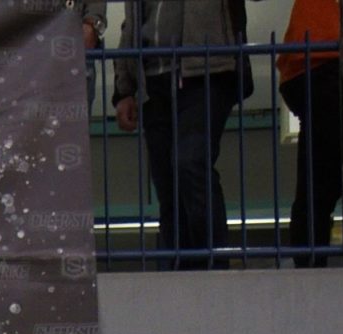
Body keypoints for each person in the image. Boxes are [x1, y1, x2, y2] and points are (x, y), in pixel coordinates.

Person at [111, 0, 265, 268]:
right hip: (154, 79)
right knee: (168, 184)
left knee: (190, 162)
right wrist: (124, 89)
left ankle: (211, 266)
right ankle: (182, 271)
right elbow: (132, 22)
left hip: (207, 69)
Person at [277, 0, 343, 266]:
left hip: (310, 62)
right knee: (324, 185)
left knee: (317, 185)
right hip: (326, 59)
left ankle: (309, 264)